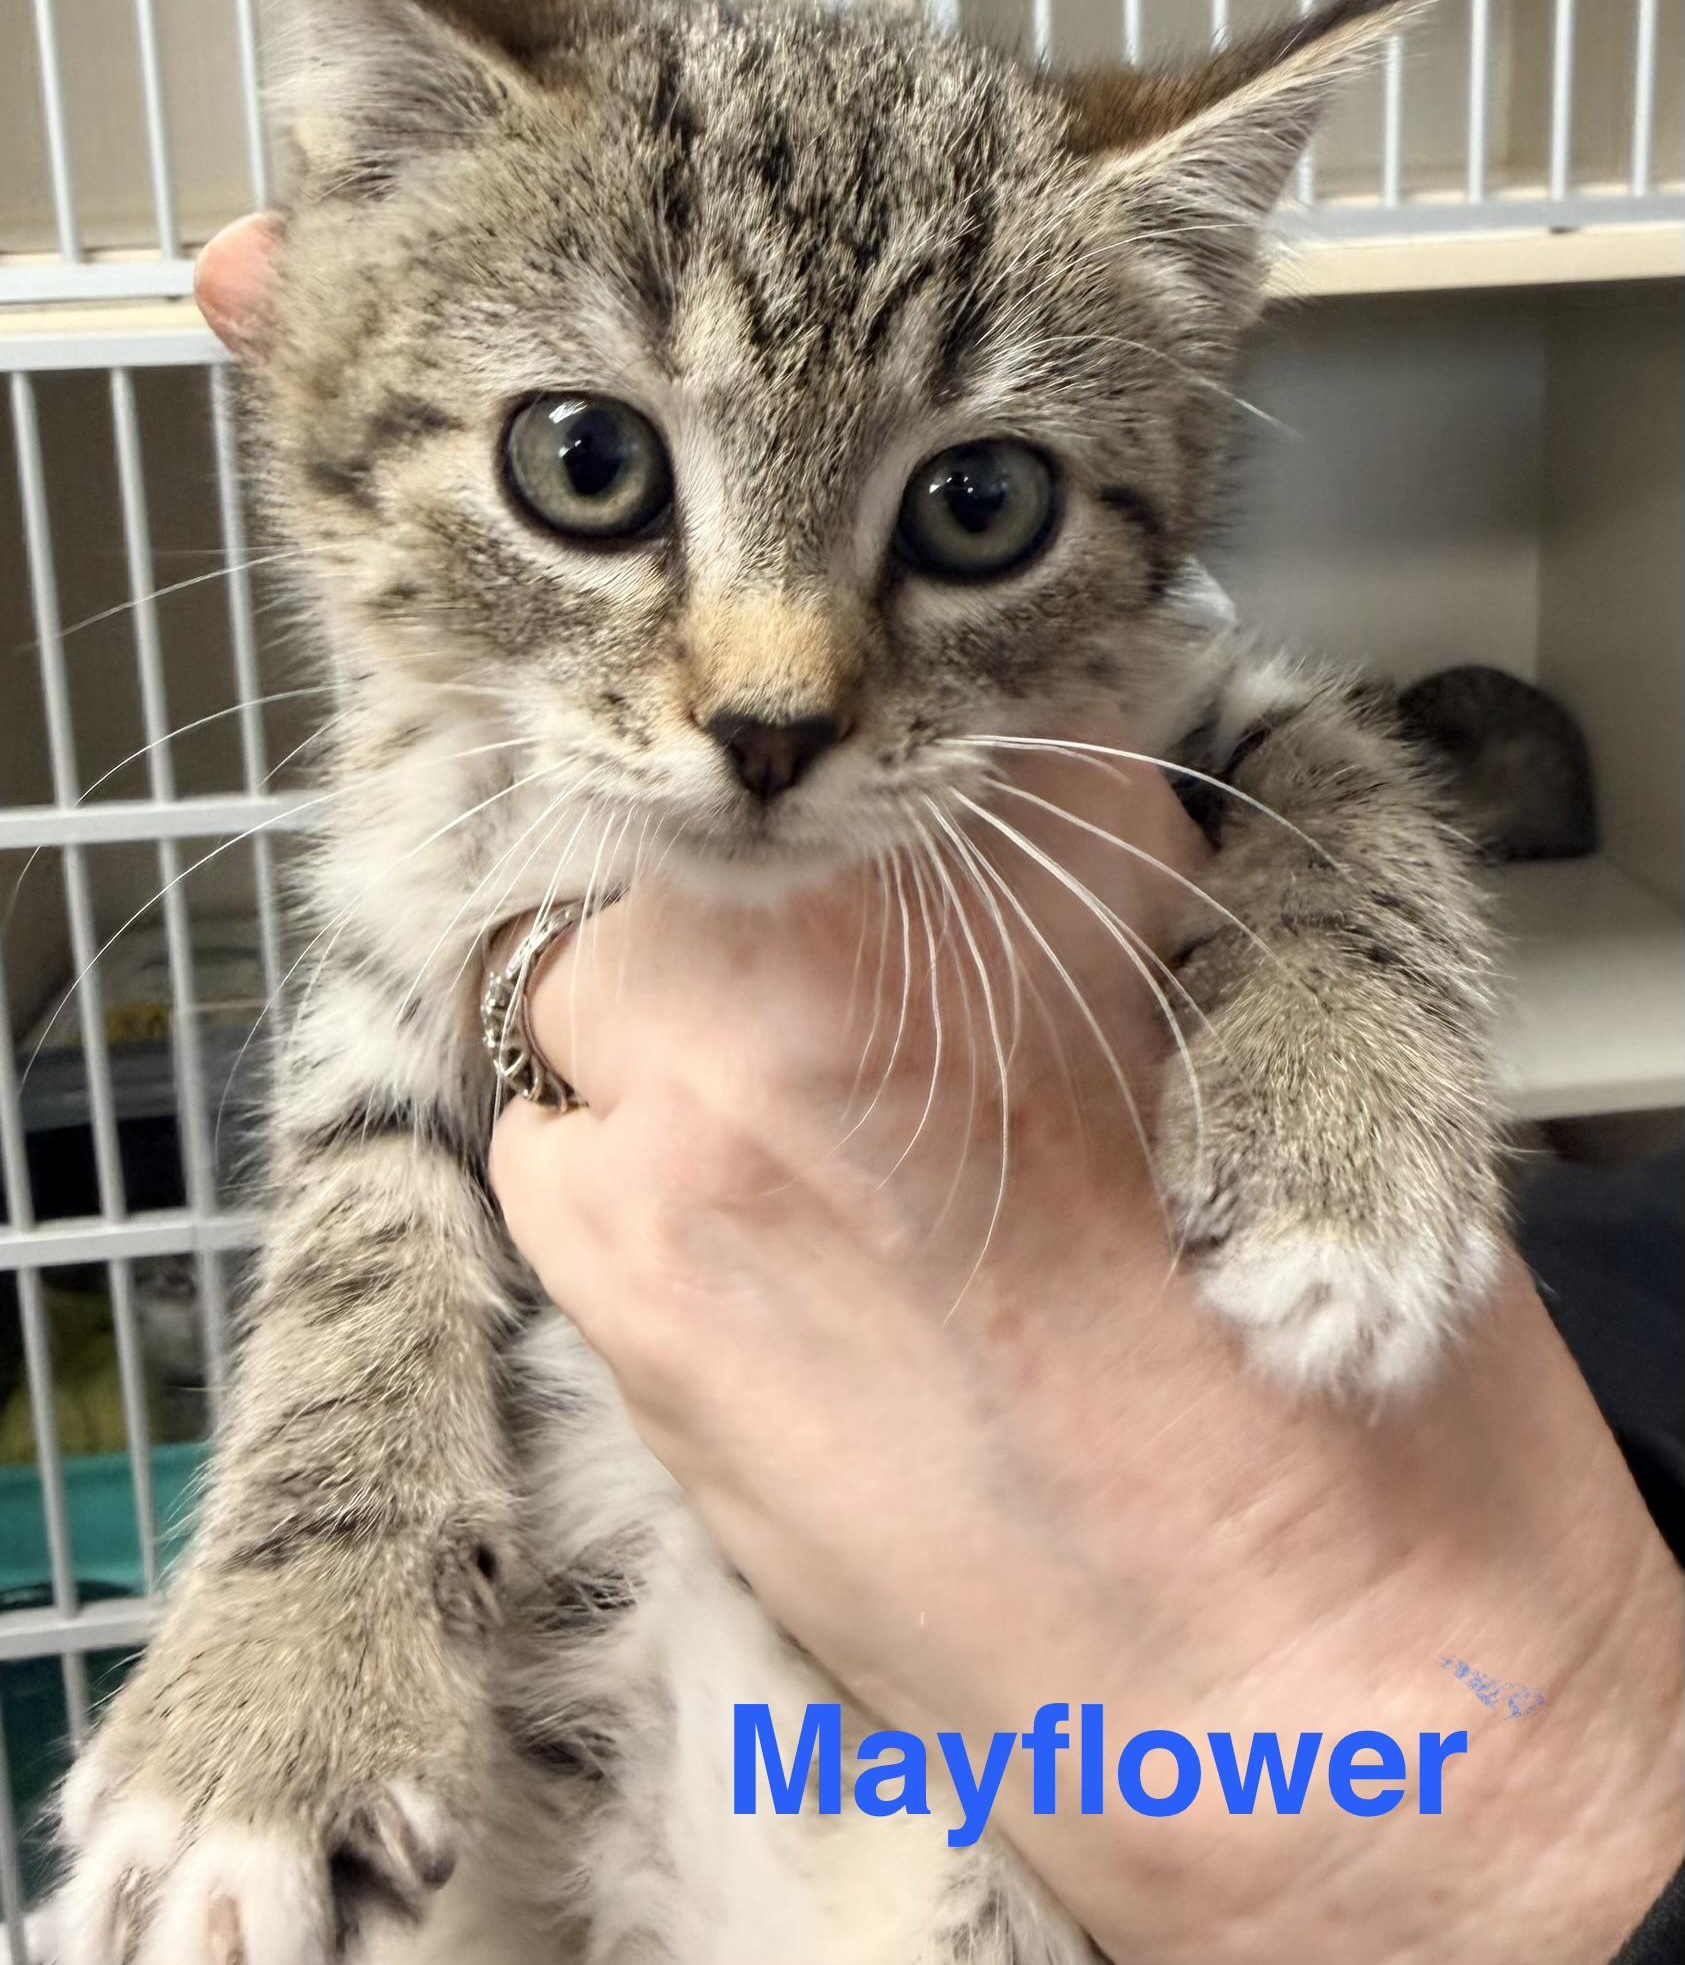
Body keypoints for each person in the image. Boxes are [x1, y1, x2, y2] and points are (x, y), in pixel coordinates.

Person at [199, 219, 1684, 1965]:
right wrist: (314, 1583)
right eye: (592, 468)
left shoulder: (1118, 695)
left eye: (966, 507)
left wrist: (1347, 987)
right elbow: (378, 1141)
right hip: (596, 1752)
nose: (774, 693)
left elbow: (1279, 759)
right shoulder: (443, 738)